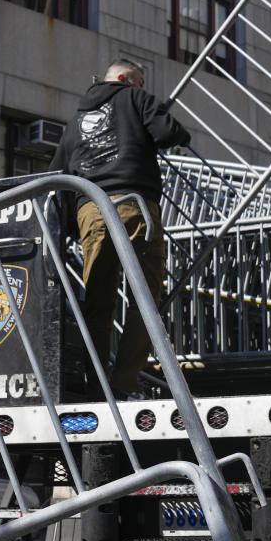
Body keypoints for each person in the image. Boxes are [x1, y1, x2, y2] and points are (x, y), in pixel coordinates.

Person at [49, 58, 190, 400]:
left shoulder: (76, 120)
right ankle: (125, 383)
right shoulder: (135, 98)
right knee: (144, 300)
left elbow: (54, 175)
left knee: (97, 302)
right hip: (132, 204)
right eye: (139, 82)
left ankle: (96, 386)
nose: (141, 88)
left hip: (90, 211)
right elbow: (170, 134)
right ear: (126, 79)